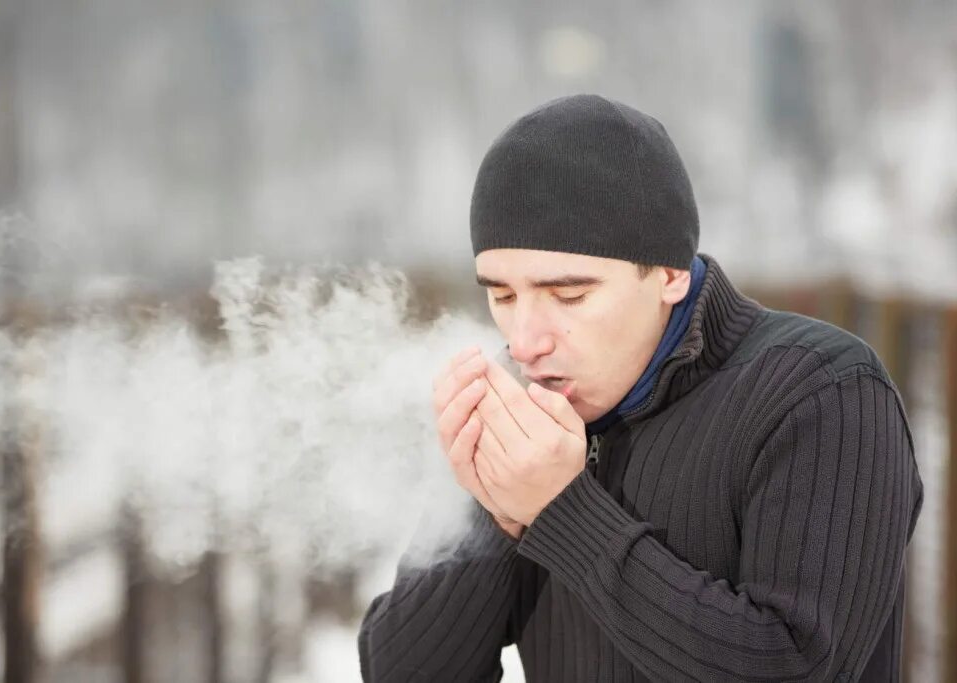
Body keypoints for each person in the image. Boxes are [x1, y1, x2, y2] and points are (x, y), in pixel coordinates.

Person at [357, 94, 923, 682]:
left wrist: (559, 510)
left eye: (569, 295)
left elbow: (796, 669)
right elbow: (402, 672)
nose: (526, 340)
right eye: (502, 296)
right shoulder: (522, 408)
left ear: (670, 274)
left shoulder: (820, 393)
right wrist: (498, 511)